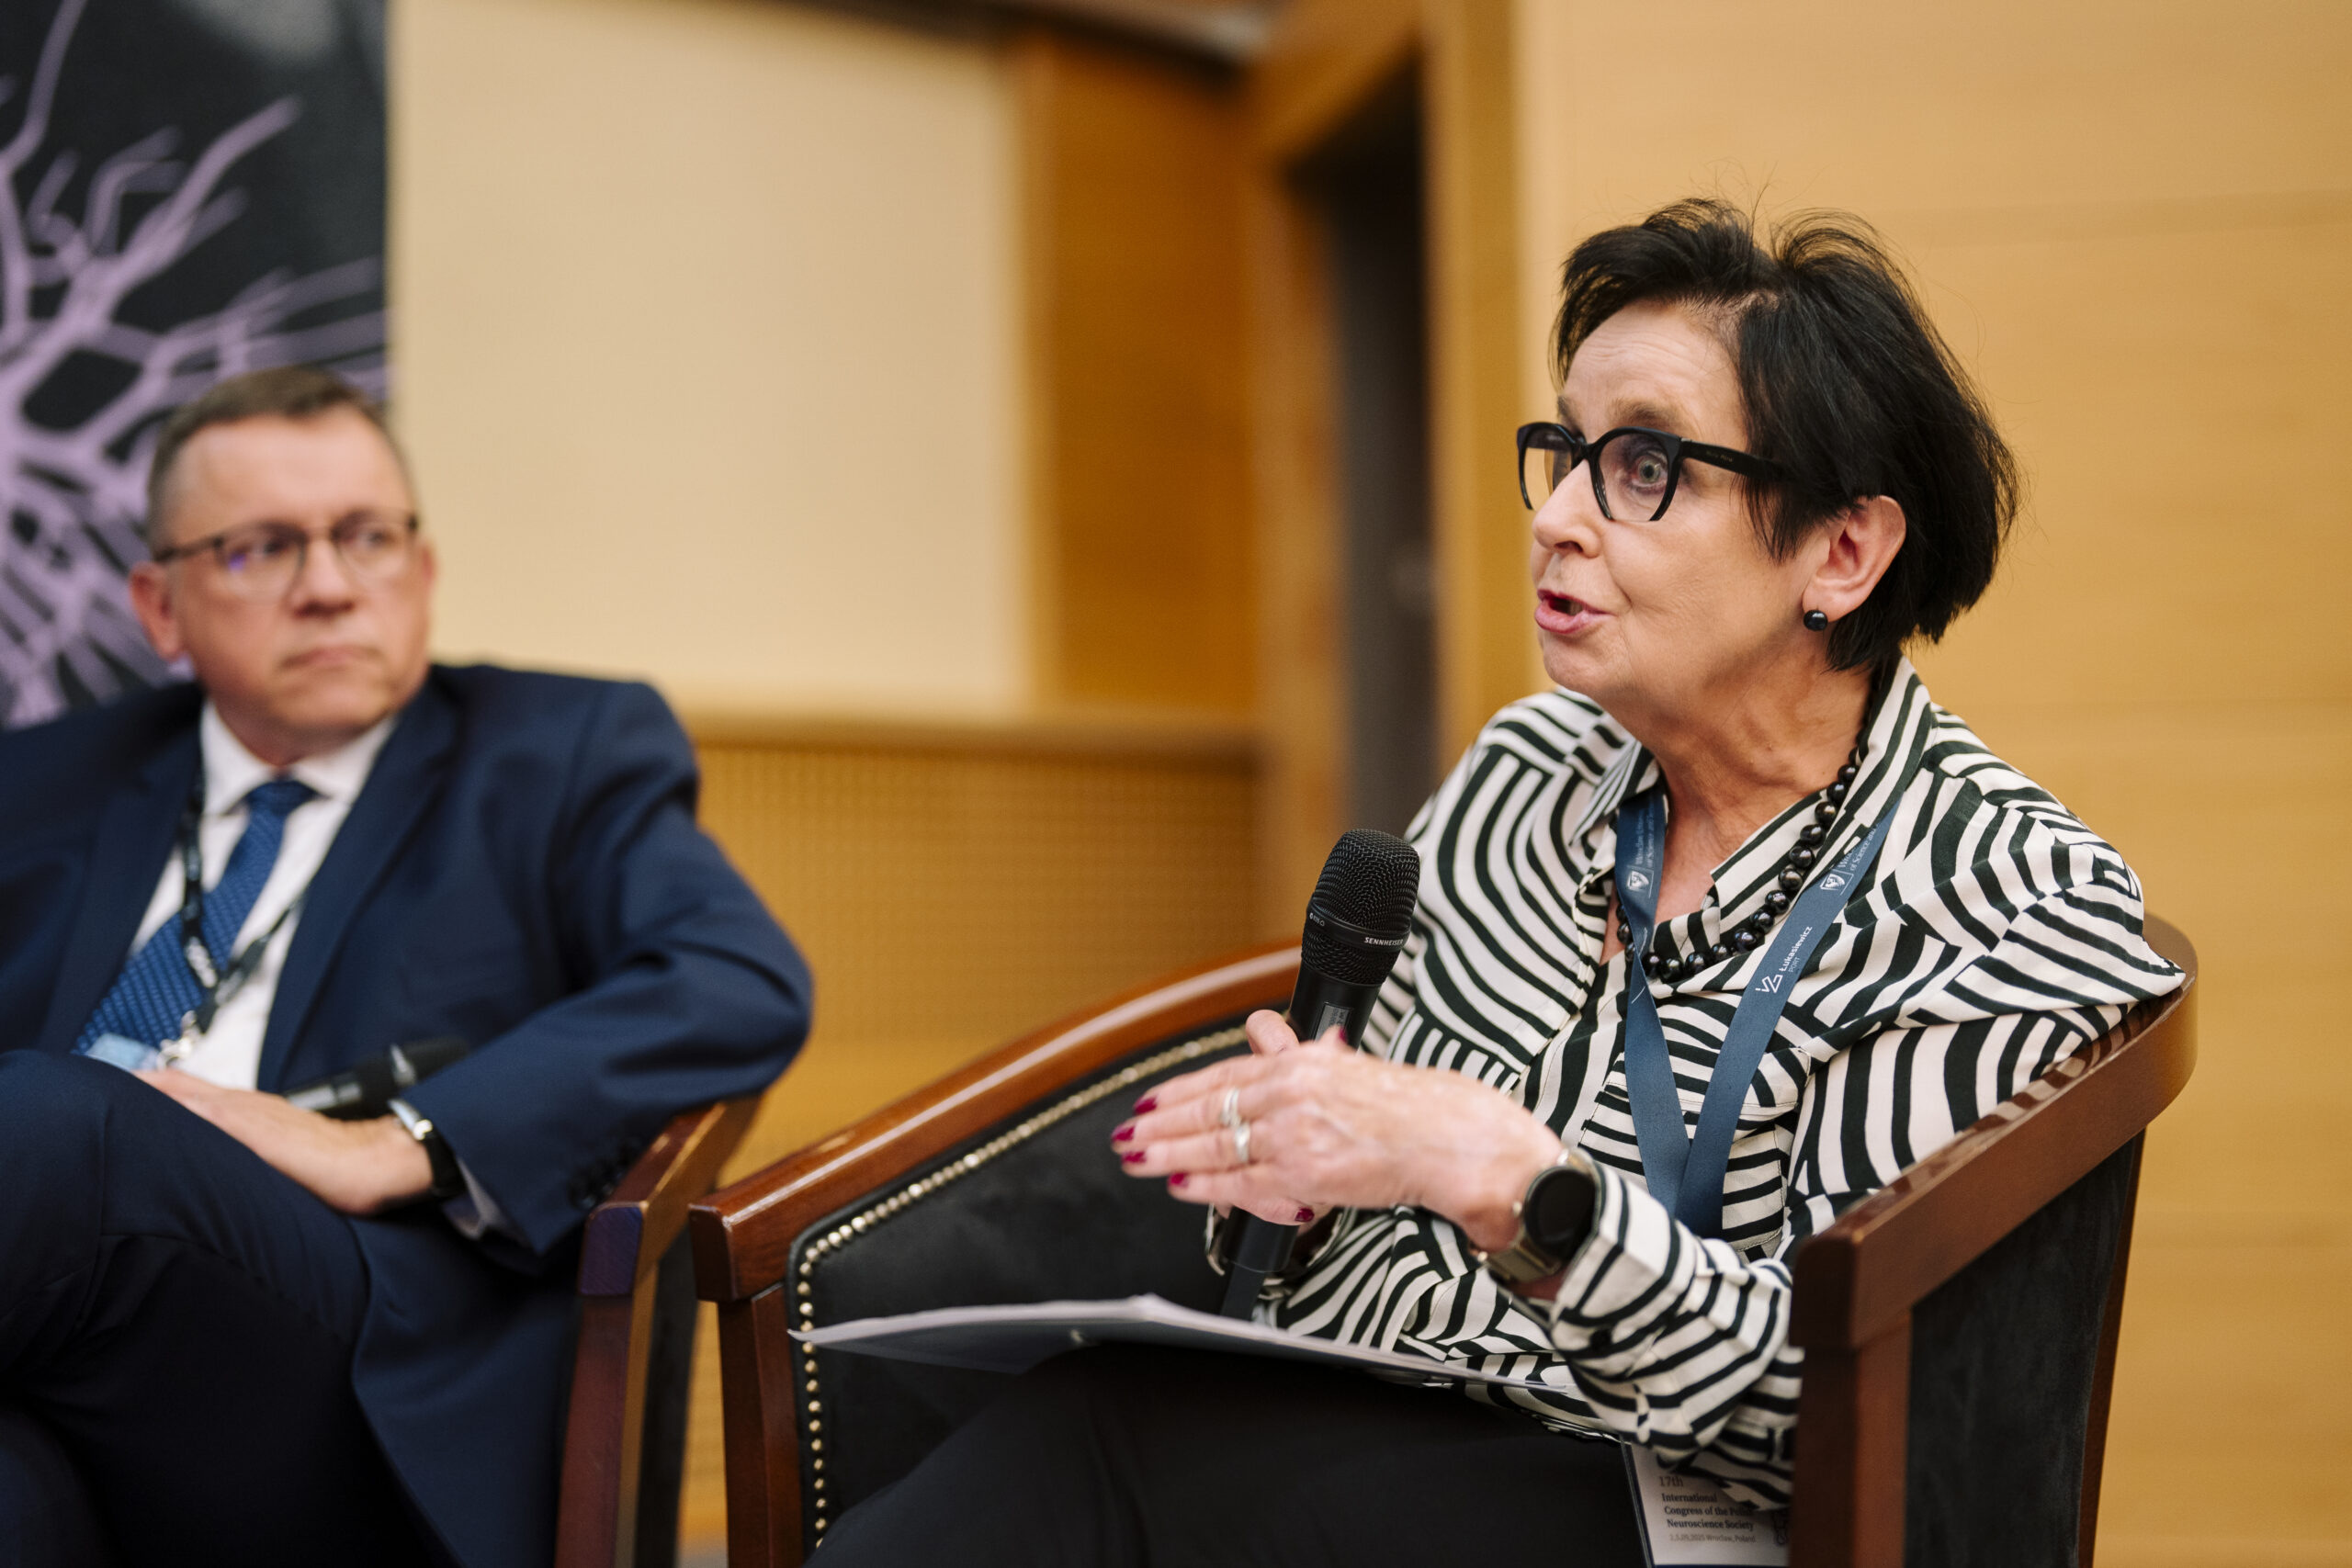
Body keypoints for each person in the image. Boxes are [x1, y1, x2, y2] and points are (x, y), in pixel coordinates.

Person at [814, 200, 2186, 1565]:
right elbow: (1366, 1198)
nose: (1560, 519)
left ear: (1842, 550)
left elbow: (1852, 1420)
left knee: (1105, 1453)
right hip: (1369, 1421)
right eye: (1567, 454)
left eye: (1645, 466)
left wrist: (1517, 1188)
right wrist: (1297, 1176)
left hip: (1664, 1507)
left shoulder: (2001, 899)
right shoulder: (1529, 769)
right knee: (1095, 1424)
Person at [0, 367, 812, 1568]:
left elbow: (733, 978)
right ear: (160, 608)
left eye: (367, 538)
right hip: (60, 1337)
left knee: (60, 1119)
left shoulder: (556, 754)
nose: (329, 586)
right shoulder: (41, 781)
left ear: (422, 571)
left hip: (351, 1358)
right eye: (261, 549)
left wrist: (401, 1142)